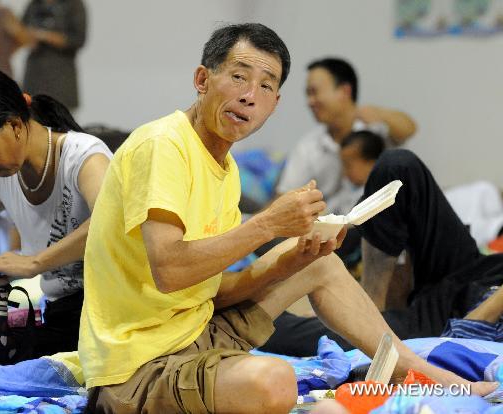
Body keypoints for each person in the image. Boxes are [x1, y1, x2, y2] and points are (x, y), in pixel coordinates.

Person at [79, 24, 496, 414]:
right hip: (136, 367)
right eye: (239, 77)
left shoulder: (227, 168)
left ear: (275, 104)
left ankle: (417, 369)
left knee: (317, 260)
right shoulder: (163, 145)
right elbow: (170, 271)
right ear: (202, 80)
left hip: (194, 330)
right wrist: (267, 225)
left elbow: (205, 291)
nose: (250, 96)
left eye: (266, 86)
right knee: (276, 380)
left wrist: (286, 263)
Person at [0, 68, 112, 358]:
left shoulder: (84, 156)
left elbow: (109, 221)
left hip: (111, 310)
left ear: (15, 125)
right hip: (65, 315)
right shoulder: (0, 174)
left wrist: (33, 263)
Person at [261, 149, 503, 357]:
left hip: (457, 319)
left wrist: (474, 322)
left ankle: (364, 314)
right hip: (482, 272)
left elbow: (463, 338)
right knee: (398, 166)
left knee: (279, 333)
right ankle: (368, 302)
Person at [276, 58, 416, 215]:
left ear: (344, 91)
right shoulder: (308, 146)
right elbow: (285, 198)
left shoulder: (374, 130)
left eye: (314, 92)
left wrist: (380, 114)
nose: (310, 102)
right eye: (308, 94)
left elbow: (409, 128)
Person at [22, 0, 87, 111]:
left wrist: (47, 36)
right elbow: (21, 30)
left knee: (60, 121)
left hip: (61, 77)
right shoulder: (34, 4)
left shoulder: (74, 4)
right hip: (34, 75)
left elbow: (78, 39)